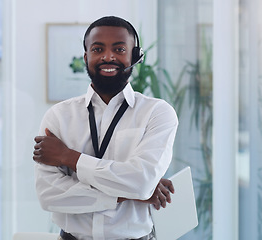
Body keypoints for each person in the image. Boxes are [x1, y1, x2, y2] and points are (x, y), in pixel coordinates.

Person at [33, 16, 178, 240]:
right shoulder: (58, 117)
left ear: (135, 56)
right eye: (98, 49)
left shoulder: (157, 113)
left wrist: (69, 157)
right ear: (86, 57)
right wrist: (129, 195)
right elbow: (49, 195)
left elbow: (141, 182)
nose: (108, 56)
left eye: (119, 49)